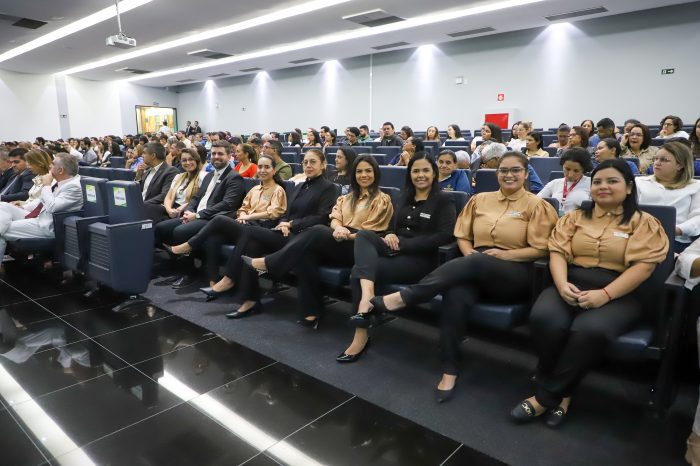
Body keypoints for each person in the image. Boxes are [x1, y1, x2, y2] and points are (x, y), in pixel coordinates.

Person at [370, 152, 558, 402]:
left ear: (525, 174)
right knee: (455, 294)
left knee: (477, 262)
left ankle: (408, 296)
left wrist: (503, 256)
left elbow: (543, 248)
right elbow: (462, 235)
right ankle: (450, 368)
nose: (508, 175)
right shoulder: (480, 200)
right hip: (474, 264)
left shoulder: (537, 206)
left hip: (514, 272)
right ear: (497, 173)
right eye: (503, 170)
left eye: (515, 170)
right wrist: (469, 253)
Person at [512, 158, 668, 427]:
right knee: (544, 318)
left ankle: (547, 396)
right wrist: (562, 285)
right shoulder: (573, 218)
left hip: (620, 291)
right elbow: (557, 253)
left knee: (590, 330)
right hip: (572, 281)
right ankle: (564, 390)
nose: (603, 186)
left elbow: (643, 268)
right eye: (597, 182)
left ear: (629, 188)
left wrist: (604, 294)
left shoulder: (644, 223)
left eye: (612, 181)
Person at [244, 155, 393, 326]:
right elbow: (335, 217)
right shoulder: (346, 198)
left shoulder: (382, 199)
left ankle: (269, 263)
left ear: (375, 173)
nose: (363, 175)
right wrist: (338, 228)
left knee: (317, 230)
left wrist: (346, 234)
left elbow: (372, 230)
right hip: (339, 239)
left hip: (360, 248)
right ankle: (311, 311)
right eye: (359, 171)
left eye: (368, 171)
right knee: (307, 252)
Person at [338, 152, 457, 362]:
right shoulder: (402, 197)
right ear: (410, 174)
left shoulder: (444, 200)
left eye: (425, 170)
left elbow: (445, 236)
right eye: (416, 171)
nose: (420, 175)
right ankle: (367, 300)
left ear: (434, 173)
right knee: (364, 235)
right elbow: (391, 227)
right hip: (393, 249)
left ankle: (360, 336)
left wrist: (404, 243)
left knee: (358, 272)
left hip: (420, 260)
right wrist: (391, 234)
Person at [205, 148, 336, 318]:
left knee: (250, 232)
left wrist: (291, 223)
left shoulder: (328, 187)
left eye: (313, 162)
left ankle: (230, 280)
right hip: (287, 234)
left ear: (323, 165)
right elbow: (287, 211)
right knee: (252, 244)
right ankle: (250, 300)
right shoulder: (300, 186)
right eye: (305, 162)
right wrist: (283, 223)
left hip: (306, 237)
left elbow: (322, 217)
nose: (308, 165)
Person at [168, 153, 287, 291]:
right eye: (260, 167)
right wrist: (243, 214)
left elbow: (274, 212)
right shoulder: (254, 189)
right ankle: (213, 282)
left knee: (219, 219)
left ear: (274, 170)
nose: (262, 170)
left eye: (267, 167)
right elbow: (243, 208)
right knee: (213, 238)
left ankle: (189, 245)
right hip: (245, 226)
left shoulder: (278, 190)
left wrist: (248, 217)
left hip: (260, 230)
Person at [155, 140, 245, 289]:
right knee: (161, 227)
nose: (216, 156)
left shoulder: (234, 177)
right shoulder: (209, 176)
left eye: (220, 154)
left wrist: (197, 215)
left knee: (180, 231)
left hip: (213, 219)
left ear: (229, 156)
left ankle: (188, 273)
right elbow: (196, 198)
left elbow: (227, 204)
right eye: (213, 153)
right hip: (196, 215)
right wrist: (189, 210)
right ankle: (177, 265)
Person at [0, 153, 84, 268]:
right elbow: (40, 200)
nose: (50, 166)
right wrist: (23, 207)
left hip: (47, 227)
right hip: (40, 218)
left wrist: (46, 185)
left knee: (2, 231)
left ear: (60, 170)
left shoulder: (73, 187)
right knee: (3, 206)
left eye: (52, 164)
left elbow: (52, 207)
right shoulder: (61, 181)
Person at [636, 141, 700, 252]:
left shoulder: (696, 186)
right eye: (656, 159)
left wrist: (677, 229)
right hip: (641, 237)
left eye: (664, 160)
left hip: (676, 240)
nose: (657, 163)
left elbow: (697, 217)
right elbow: (629, 210)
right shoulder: (639, 182)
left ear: (680, 165)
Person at [538, 148, 592, 214]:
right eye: (567, 169)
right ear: (562, 165)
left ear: (584, 169)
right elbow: (536, 201)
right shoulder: (554, 183)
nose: (570, 175)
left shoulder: (591, 183)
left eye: (576, 171)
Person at [136, 142, 179, 223]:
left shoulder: (171, 171)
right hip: (141, 206)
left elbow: (164, 195)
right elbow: (138, 190)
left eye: (144, 153)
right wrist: (138, 176)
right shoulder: (148, 171)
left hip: (154, 209)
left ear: (153, 156)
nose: (142, 155)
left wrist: (142, 204)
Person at [163, 148, 205, 220]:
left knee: (160, 225)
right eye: (184, 160)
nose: (187, 163)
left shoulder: (203, 176)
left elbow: (199, 199)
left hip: (188, 211)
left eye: (191, 159)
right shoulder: (178, 176)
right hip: (173, 209)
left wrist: (183, 207)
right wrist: (169, 210)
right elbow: (168, 197)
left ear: (197, 161)